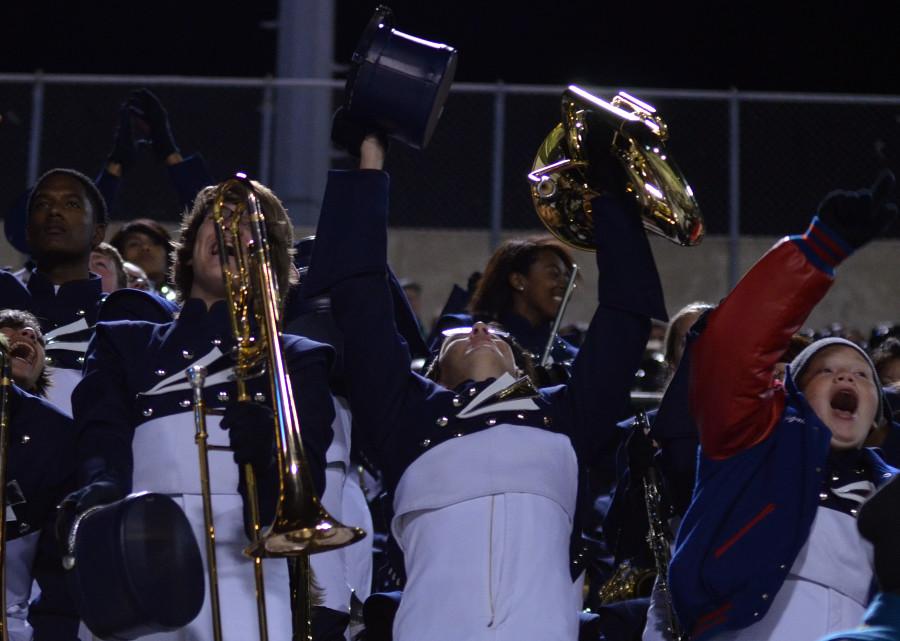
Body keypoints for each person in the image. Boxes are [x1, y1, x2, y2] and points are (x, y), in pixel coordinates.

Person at [303, 132, 668, 641]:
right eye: (459, 336)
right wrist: (369, 160)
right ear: (431, 371)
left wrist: (609, 198)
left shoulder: (566, 414)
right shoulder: (406, 416)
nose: (478, 331)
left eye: (496, 336)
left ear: (522, 369)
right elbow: (360, 297)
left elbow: (626, 317)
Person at [63, 178, 336, 640]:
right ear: (188, 248)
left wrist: (269, 456)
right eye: (220, 219)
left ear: (270, 264)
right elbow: (101, 437)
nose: (233, 231)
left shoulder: (299, 357)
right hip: (138, 547)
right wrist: (101, 487)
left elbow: (306, 477)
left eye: (253, 228)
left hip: (247, 562)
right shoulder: (123, 342)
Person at [669, 170, 899, 640]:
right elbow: (731, 350)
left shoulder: (894, 498)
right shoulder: (751, 446)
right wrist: (819, 249)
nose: (847, 377)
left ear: (877, 415)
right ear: (789, 394)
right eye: (826, 371)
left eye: (862, 375)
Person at [0, 168, 174, 416]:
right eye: (42, 204)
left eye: (71, 203)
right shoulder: (5, 299)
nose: (54, 212)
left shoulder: (131, 316)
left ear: (98, 233)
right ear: (27, 232)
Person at [0, 319, 78, 641]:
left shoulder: (60, 437)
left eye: (37, 336)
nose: (28, 335)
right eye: (9, 328)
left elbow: (59, 572)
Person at [466, 237, 579, 364]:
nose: (565, 284)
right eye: (554, 274)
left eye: (567, 277)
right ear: (518, 281)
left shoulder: (571, 357)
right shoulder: (479, 341)